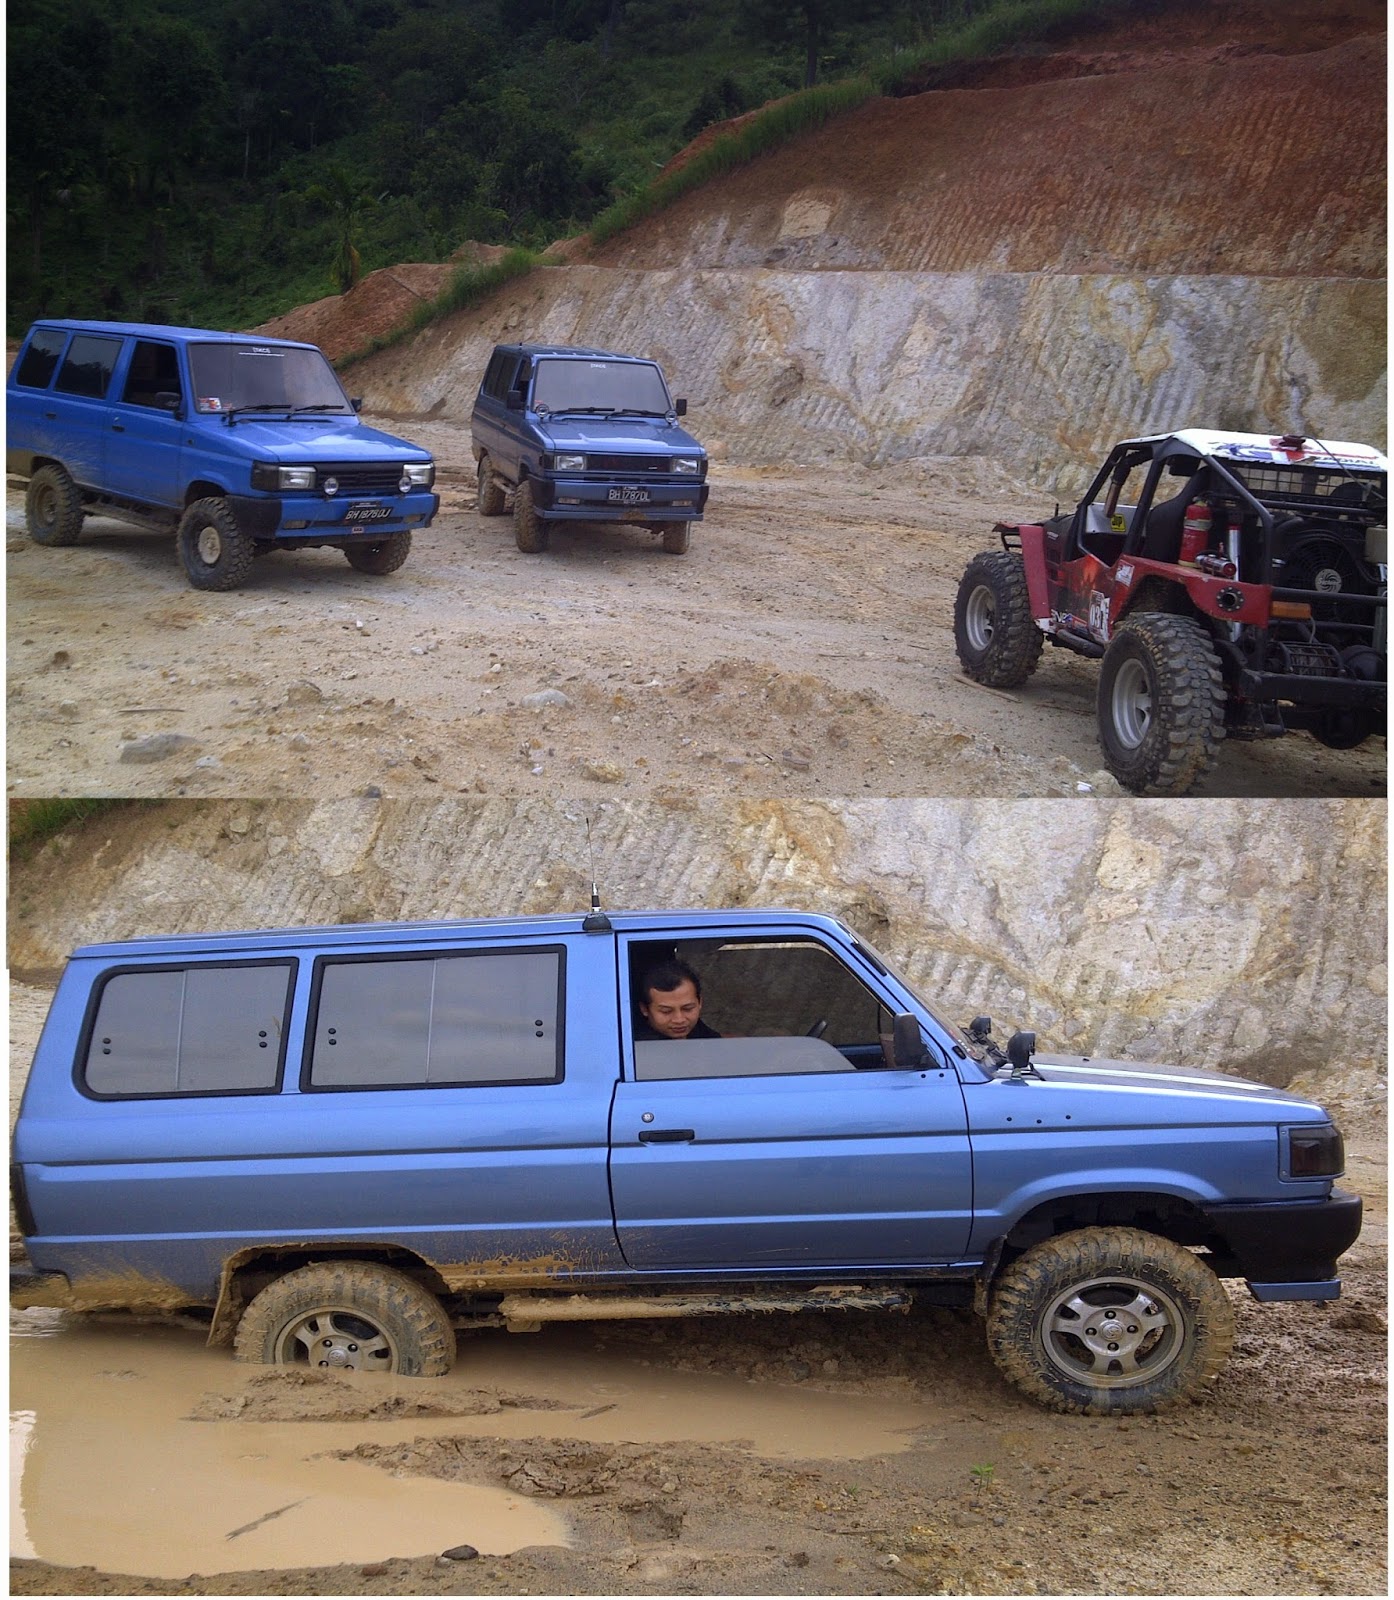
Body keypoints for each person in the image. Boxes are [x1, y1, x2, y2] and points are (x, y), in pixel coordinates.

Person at [634, 959, 722, 1041]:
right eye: (666, 1011)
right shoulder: (635, 1047)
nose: (679, 1019)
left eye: (688, 1009)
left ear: (700, 1003)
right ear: (644, 1009)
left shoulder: (705, 1036)